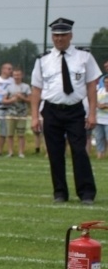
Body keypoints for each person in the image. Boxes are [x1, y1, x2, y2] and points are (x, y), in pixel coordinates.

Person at [31, 17, 100, 205]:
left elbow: (92, 86)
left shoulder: (84, 57)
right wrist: (34, 116)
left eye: (62, 35)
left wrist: (92, 113)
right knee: (55, 153)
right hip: (51, 110)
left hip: (75, 110)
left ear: (70, 35)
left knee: (79, 151)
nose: (59, 39)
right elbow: (36, 90)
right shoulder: (43, 60)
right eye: (55, 35)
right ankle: (60, 192)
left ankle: (86, 193)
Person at [3, 67, 31, 158]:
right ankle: (10, 152)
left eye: (18, 75)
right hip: (10, 113)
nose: (16, 77)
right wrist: (12, 99)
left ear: (22, 75)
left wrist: (22, 97)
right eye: (15, 75)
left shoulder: (26, 87)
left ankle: (21, 152)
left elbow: (30, 100)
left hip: (22, 114)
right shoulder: (8, 87)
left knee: (21, 134)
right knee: (10, 134)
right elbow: (4, 100)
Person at [94, 61, 108, 159]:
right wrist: (98, 104)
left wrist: (105, 106)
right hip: (99, 118)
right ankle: (100, 156)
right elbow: (93, 97)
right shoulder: (100, 87)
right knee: (99, 138)